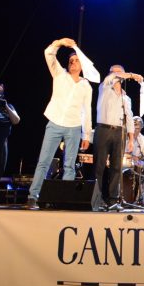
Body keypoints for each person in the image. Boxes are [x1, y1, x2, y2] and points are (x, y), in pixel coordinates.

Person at [26, 38, 93, 208]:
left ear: (82, 65)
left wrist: (87, 134)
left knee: (69, 166)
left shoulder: (86, 86)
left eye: (76, 60)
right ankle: (33, 196)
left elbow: (87, 111)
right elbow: (48, 53)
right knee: (44, 161)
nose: (73, 62)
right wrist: (60, 42)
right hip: (55, 122)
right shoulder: (59, 74)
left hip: (74, 127)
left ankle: (63, 199)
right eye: (71, 60)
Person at [91, 65, 143, 211]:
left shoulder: (126, 98)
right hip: (103, 129)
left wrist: (131, 139)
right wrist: (132, 74)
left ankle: (113, 200)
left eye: (119, 72)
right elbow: (112, 77)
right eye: (114, 72)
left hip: (119, 132)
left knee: (116, 167)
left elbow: (130, 117)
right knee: (99, 166)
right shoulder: (105, 87)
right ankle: (97, 199)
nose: (117, 74)